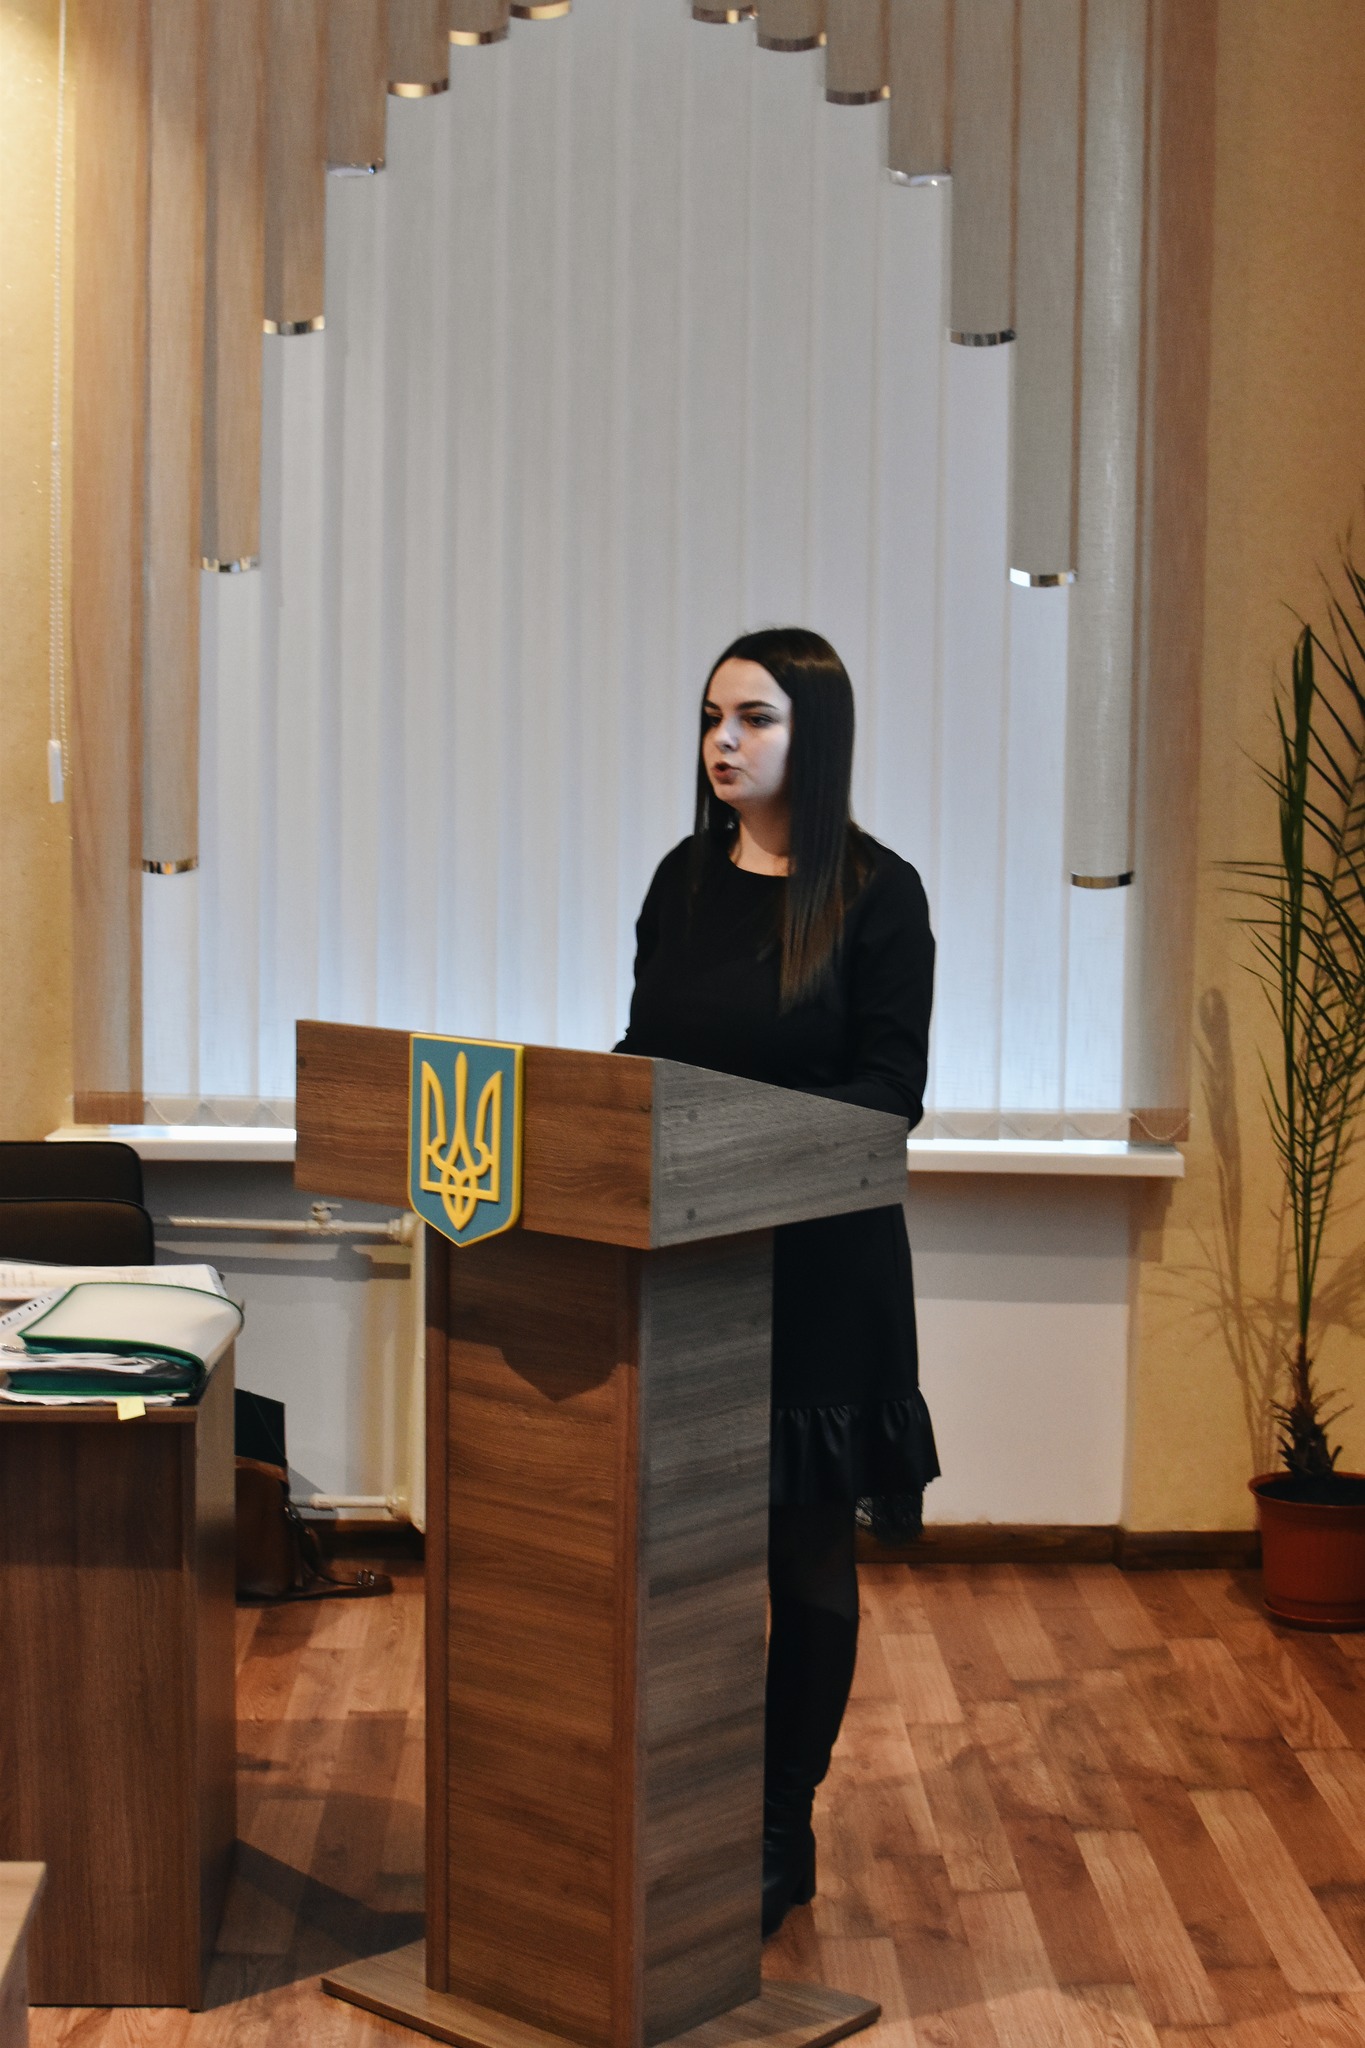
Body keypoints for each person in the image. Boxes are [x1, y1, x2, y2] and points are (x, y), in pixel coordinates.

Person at [615, 625, 938, 1938]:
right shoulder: (682, 879)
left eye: (753, 718)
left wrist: (736, 1143)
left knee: (802, 1556)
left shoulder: (878, 894)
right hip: (686, 1268)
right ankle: (682, 1800)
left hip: (818, 1275)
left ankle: (776, 1825)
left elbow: (889, 1092)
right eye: (712, 717)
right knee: (683, 1555)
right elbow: (639, 1053)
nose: (724, 741)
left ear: (816, 735)